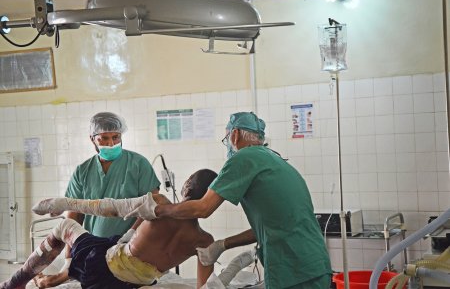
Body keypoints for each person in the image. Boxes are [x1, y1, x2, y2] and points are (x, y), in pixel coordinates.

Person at [129, 112, 332, 288]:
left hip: (293, 269)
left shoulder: (244, 158)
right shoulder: (275, 161)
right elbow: (271, 225)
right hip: (313, 263)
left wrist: (158, 210)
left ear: (234, 135)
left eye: (226, 138)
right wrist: (223, 245)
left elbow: (203, 208)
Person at [1, 169, 217, 289]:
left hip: (100, 268)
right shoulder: (204, 241)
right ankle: (57, 277)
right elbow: (204, 287)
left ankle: (15, 283)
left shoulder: (161, 203)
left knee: (65, 226)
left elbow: (111, 208)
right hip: (131, 284)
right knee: (114, 241)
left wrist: (63, 203)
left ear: (186, 186)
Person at [45, 112, 161, 287]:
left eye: (116, 137)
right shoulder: (83, 171)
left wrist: (130, 237)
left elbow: (153, 205)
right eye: (104, 139)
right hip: (93, 252)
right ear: (92, 139)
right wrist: (69, 259)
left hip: (132, 249)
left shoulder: (138, 164)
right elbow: (74, 216)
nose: (111, 143)